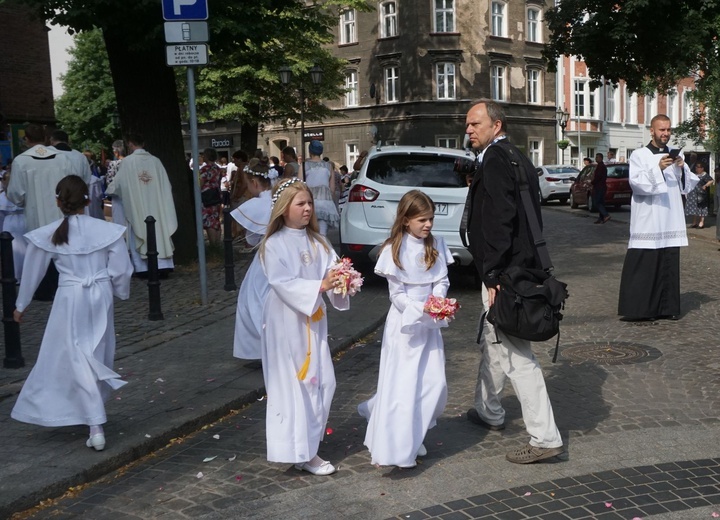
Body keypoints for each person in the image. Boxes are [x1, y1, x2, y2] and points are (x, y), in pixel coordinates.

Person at [463, 99, 564, 464]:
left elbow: (500, 221)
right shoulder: (514, 156)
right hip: (517, 268)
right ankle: (488, 409)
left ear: (496, 124)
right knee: (494, 340)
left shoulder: (494, 159)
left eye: (475, 124)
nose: (469, 130)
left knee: (516, 356)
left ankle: (544, 437)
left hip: (505, 274)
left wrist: (493, 274)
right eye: (468, 125)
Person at [10, 175, 133, 452]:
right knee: (95, 353)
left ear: (58, 202)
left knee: (77, 355)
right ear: (88, 200)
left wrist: (21, 304)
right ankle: (92, 418)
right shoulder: (104, 230)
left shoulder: (51, 234)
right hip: (100, 294)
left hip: (70, 298)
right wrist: (118, 291)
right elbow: (122, 269)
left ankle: (94, 422)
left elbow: (32, 272)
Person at [259, 178, 349, 476]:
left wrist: (343, 281)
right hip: (286, 321)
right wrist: (320, 286)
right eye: (301, 203)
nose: (308, 208)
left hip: (312, 320)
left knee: (325, 382)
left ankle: (307, 443)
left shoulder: (319, 242)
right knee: (295, 385)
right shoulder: (274, 244)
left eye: (309, 202)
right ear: (285, 209)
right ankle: (304, 451)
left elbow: (333, 271)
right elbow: (281, 282)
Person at [358, 190, 453, 468]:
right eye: (422, 219)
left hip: (430, 323)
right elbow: (396, 295)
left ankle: (408, 425)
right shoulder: (393, 250)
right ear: (406, 220)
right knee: (404, 383)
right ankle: (401, 444)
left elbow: (442, 279)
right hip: (404, 325)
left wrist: (437, 301)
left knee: (433, 383)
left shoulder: (435, 245)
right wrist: (419, 308)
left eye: (431, 219)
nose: (428, 225)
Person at [618, 114, 699, 321]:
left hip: (670, 217)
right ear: (652, 131)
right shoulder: (639, 155)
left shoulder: (674, 157)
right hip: (649, 219)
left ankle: (666, 308)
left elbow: (686, 185)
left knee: (668, 262)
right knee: (645, 264)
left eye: (668, 130)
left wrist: (681, 168)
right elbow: (636, 184)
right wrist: (659, 169)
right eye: (662, 130)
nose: (666, 134)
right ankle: (639, 310)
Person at [7, 124, 76, 300]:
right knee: (63, 246)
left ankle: (44, 289)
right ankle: (66, 285)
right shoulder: (62, 158)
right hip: (61, 210)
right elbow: (72, 184)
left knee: (40, 249)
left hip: (35, 211)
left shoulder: (22, 161)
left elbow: (16, 193)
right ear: (46, 138)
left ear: (26, 139)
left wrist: (25, 201)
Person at [105, 134, 178, 274]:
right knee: (159, 230)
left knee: (138, 228)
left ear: (130, 144)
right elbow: (166, 185)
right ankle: (163, 265)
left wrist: (109, 190)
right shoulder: (156, 161)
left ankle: (143, 268)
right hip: (157, 206)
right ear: (143, 144)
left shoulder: (127, 162)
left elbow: (119, 184)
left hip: (137, 206)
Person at [231, 157, 273, 360]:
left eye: (248, 184)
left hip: (265, 257)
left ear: (254, 183)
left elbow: (252, 238)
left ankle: (258, 348)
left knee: (253, 299)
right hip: (284, 255)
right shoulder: (280, 198)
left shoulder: (258, 204)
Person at [301, 140, 339, 235]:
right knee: (322, 234)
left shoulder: (304, 165)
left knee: (308, 233)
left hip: (309, 202)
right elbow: (332, 189)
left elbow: (299, 185)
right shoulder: (328, 166)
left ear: (310, 151)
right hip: (325, 202)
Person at [0, 165, 26, 281]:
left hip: (16, 222)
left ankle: (19, 275)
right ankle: (17, 275)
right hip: (13, 222)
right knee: (14, 248)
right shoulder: (2, 195)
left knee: (20, 248)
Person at [200, 147, 223, 246]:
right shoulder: (217, 168)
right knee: (216, 219)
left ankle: (213, 244)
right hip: (216, 195)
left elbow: (200, 183)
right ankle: (218, 243)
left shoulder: (204, 169)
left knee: (209, 221)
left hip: (206, 196)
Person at [685, 162, 713, 229]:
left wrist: (705, 185)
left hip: (701, 194)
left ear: (702, 168)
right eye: (696, 167)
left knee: (702, 208)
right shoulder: (694, 175)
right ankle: (694, 222)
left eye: (698, 167)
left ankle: (701, 222)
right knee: (695, 208)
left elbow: (711, 180)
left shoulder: (705, 175)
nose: (697, 169)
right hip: (693, 194)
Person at [592, 153, 610, 224]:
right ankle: (601, 218)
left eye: (597, 157)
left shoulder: (601, 166)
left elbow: (598, 177)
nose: (596, 159)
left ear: (601, 158)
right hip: (601, 186)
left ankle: (606, 215)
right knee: (601, 202)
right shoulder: (600, 166)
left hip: (599, 186)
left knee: (598, 202)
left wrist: (592, 182)